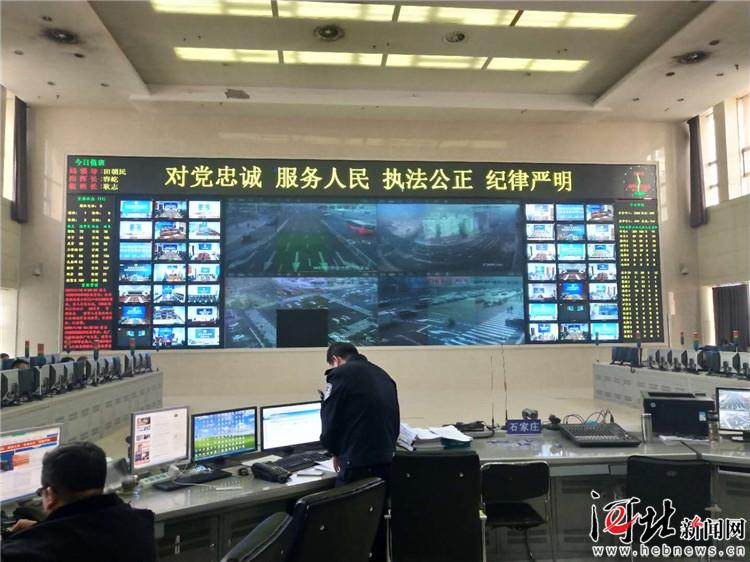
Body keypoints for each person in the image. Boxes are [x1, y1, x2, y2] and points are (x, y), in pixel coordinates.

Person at [1, 442, 156, 562]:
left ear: (50, 495)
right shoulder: (140, 524)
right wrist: (41, 529)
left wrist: (32, 536)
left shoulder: (23, 553)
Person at [320, 342, 400, 484]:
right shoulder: (383, 374)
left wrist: (333, 451)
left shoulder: (340, 374)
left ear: (336, 359)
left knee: (344, 498)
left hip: (356, 463)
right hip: (387, 460)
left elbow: (330, 418)